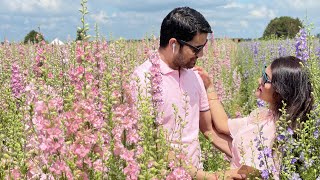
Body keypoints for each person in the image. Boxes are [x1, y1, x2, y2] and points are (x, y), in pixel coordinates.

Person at [132, 6, 246, 180]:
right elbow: (152, 143)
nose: (201, 54)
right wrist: (209, 176)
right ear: (174, 44)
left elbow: (208, 130)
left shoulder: (195, 76)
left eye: (203, 47)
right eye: (196, 48)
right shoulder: (142, 79)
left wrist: (248, 157)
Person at [195, 56, 314, 178]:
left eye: (265, 78)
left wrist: (196, 174)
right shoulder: (265, 116)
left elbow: (244, 174)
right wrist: (209, 87)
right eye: (263, 73)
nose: (259, 80)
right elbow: (223, 125)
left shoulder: (277, 133)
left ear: (281, 90)